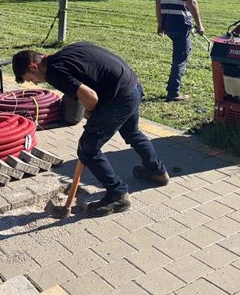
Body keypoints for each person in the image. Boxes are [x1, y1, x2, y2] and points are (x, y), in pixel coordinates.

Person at [12, 42, 169, 217]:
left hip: (119, 98)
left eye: (30, 79)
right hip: (133, 86)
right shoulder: (70, 51)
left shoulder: (55, 72)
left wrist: (93, 112)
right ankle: (156, 171)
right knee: (132, 132)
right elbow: (91, 83)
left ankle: (117, 195)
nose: (34, 83)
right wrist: (91, 109)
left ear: (34, 67)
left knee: (87, 148)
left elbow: (91, 98)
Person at [156, 0, 205, 102]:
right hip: (181, 24)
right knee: (181, 58)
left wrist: (160, 23)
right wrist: (200, 25)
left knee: (178, 55)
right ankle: (173, 92)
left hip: (168, 23)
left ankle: (173, 88)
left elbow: (158, 2)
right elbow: (192, 3)